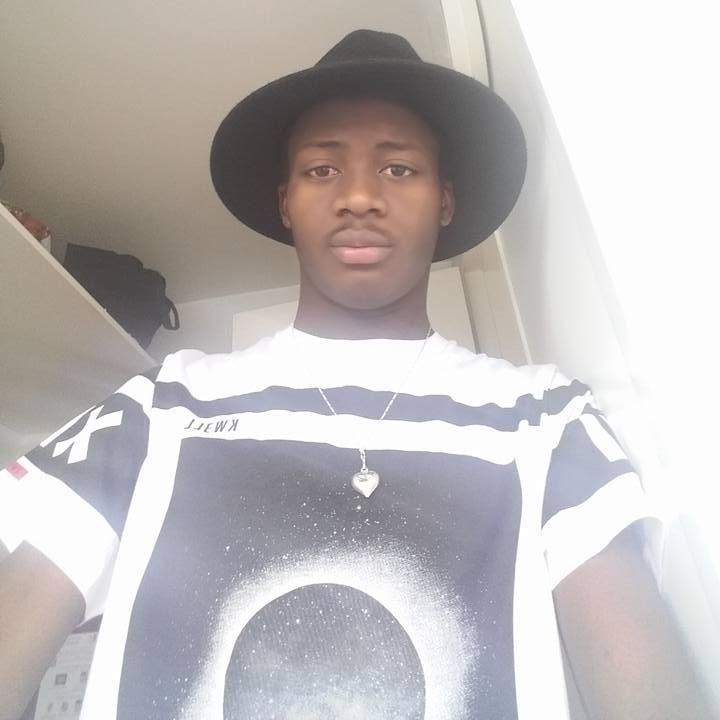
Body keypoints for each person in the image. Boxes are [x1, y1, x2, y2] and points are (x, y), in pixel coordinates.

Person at [0, 29, 713, 720]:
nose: (360, 197)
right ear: (286, 201)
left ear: (445, 202)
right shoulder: (162, 405)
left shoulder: (546, 419)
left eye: (399, 169)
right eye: (322, 170)